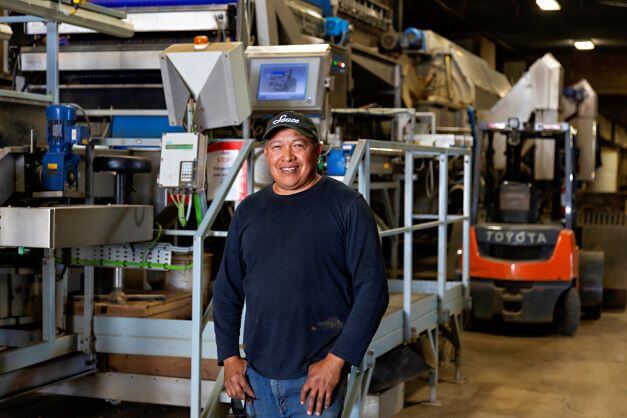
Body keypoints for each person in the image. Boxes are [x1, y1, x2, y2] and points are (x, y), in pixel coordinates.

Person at [213, 111, 389, 417]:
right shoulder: (248, 211)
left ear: (317, 151)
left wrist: (336, 362)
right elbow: (228, 289)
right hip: (256, 380)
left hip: (316, 381)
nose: (288, 157)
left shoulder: (347, 206)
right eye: (278, 147)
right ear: (266, 153)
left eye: (298, 145)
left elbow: (372, 290)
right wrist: (229, 357)